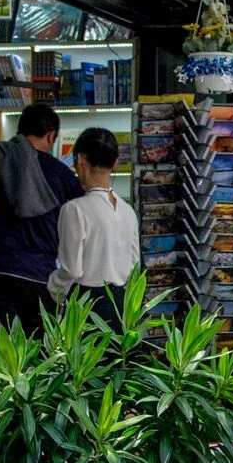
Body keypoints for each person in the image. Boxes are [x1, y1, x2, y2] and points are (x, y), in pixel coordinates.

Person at [0, 103, 79, 330]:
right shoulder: (61, 173)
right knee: (40, 355)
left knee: (3, 353)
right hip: (41, 274)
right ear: (50, 135)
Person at [48, 127, 137, 322]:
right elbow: (134, 265)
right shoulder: (128, 211)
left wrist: (54, 289)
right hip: (121, 306)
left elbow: (71, 269)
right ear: (115, 163)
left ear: (79, 160)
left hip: (86, 305)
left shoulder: (74, 209)